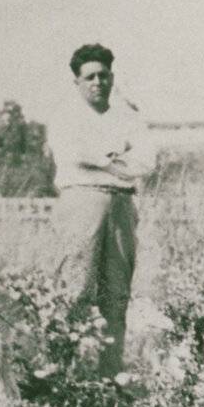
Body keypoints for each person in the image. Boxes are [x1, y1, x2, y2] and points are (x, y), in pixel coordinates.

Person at [45, 43, 154, 377]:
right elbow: (73, 155)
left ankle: (110, 376)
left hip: (121, 206)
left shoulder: (128, 116)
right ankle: (59, 371)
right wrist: (117, 160)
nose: (97, 82)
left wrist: (106, 163)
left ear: (112, 77)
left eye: (103, 75)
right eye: (89, 77)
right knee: (74, 289)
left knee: (116, 293)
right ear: (76, 81)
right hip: (81, 202)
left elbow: (147, 160)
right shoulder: (65, 117)